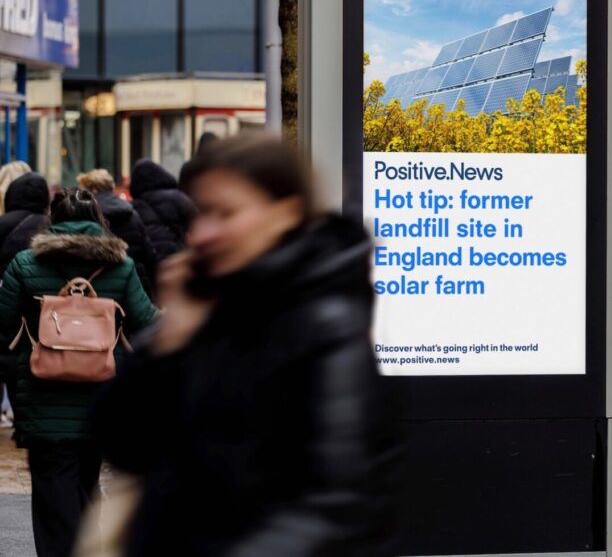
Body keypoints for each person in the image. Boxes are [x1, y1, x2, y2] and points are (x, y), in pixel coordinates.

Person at [90, 134, 398, 555]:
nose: (201, 233)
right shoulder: (208, 310)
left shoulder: (325, 323)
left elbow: (339, 504)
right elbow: (122, 442)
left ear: (285, 213)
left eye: (226, 213)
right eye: (203, 212)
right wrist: (165, 345)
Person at [0, 188, 158, 557]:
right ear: (98, 219)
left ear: (52, 220)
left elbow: (3, 326)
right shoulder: (122, 265)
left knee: (54, 500)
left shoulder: (25, 263)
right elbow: (147, 324)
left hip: (42, 400)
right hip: (103, 397)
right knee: (88, 489)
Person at [0, 172, 50, 425]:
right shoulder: (51, 225)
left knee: (10, 361)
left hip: (9, 309)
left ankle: (19, 419)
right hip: (47, 312)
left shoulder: (3, 224)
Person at [78, 169, 159, 298]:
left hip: (97, 291)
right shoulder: (132, 214)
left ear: (93, 190)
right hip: (135, 288)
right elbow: (150, 255)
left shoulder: (85, 215)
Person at [129, 158, 198, 263]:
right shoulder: (177, 198)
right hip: (176, 257)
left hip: (149, 262)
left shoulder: (133, 206)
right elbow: (197, 223)